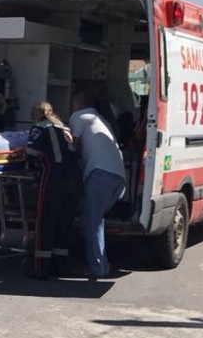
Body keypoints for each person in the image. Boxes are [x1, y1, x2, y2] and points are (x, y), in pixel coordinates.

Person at [68, 83, 126, 280]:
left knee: (92, 222)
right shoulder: (100, 119)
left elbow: (72, 147)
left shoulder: (79, 117)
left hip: (100, 174)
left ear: (78, 103)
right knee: (90, 219)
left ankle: (98, 268)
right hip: (118, 177)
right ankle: (98, 263)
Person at [23, 101, 81, 279]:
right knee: (64, 221)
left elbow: (31, 152)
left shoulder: (40, 128)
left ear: (37, 115)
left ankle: (41, 268)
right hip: (74, 178)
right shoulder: (65, 128)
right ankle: (60, 266)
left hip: (53, 178)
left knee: (45, 221)